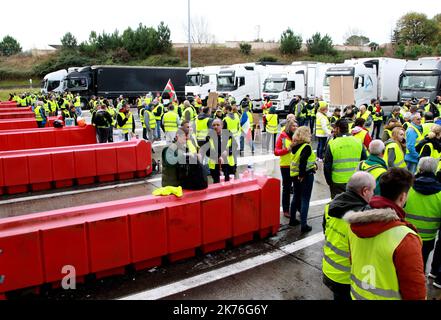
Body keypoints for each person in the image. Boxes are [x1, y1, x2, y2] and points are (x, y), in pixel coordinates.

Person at [343, 168, 426, 300]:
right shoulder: (406, 237)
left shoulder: (354, 223)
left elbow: (352, 259)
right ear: (403, 196)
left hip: (357, 295)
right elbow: (415, 290)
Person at [322, 172, 376, 301]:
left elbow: (325, 231)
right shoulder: (362, 217)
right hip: (347, 278)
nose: (373, 194)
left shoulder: (329, 206)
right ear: (365, 191)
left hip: (329, 270)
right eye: (372, 191)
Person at [404, 157, 441, 272]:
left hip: (407, 233)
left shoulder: (407, 188)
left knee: (405, 263)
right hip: (428, 237)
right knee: (421, 264)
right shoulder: (439, 192)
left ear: (419, 169)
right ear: (435, 171)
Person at [324, 119, 367, 199]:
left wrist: (329, 182)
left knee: (338, 205)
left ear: (338, 129)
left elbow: (327, 165)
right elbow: (364, 161)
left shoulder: (332, 143)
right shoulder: (358, 142)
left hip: (337, 182)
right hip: (355, 180)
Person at [289, 126, 317, 232]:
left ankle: (292, 220)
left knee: (296, 196)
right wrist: (302, 175)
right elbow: (303, 161)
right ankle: (304, 225)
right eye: (309, 133)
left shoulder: (295, 146)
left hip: (294, 175)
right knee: (305, 199)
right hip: (305, 176)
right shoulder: (306, 147)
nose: (310, 135)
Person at [275, 120, 298, 218]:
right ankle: (285, 210)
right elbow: (276, 151)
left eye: (296, 125)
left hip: (295, 165)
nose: (295, 127)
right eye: (293, 126)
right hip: (285, 166)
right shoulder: (282, 136)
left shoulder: (297, 136)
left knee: (297, 188)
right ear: (289, 126)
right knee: (287, 188)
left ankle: (298, 207)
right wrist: (287, 150)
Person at [204, 119, 238, 183]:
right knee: (217, 184)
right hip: (215, 166)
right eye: (214, 125)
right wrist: (218, 156)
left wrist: (227, 151)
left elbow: (235, 146)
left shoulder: (228, 133)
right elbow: (207, 151)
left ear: (222, 125)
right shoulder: (209, 136)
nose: (215, 127)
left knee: (229, 183)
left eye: (217, 125)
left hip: (228, 165)